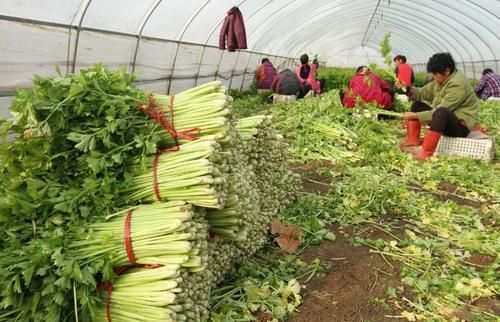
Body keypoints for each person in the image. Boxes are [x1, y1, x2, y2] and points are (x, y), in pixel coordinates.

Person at [396, 52, 479, 160]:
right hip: (444, 119)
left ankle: (426, 152)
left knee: (441, 112)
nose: (434, 77)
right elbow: (421, 93)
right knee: (417, 105)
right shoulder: (440, 80)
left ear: (447, 71)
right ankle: (412, 142)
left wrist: (415, 116)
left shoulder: (458, 84)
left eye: (436, 74)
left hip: (460, 126)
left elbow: (440, 111)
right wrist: (406, 88)